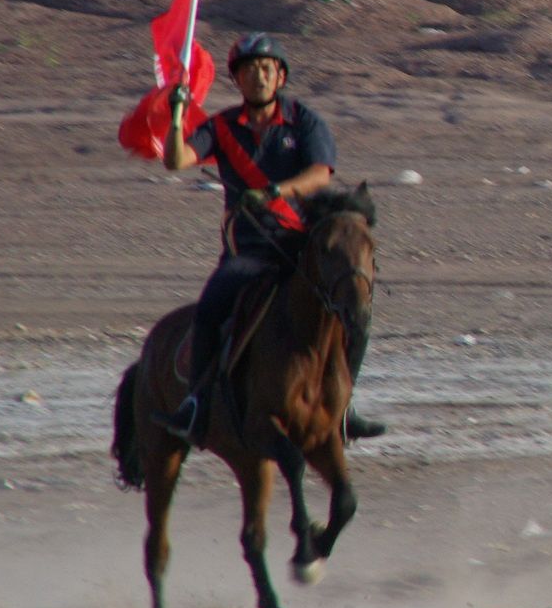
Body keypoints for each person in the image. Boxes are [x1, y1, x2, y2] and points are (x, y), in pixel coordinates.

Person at [151, 32, 385, 446]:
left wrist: (280, 191)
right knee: (209, 310)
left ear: (280, 76)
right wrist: (176, 116)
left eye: (266, 68)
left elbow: (320, 174)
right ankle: (196, 406)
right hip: (249, 248)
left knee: (356, 311)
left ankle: (344, 409)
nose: (258, 76)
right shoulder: (222, 127)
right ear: (237, 80)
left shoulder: (304, 122)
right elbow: (175, 160)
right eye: (249, 70)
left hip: (301, 245)